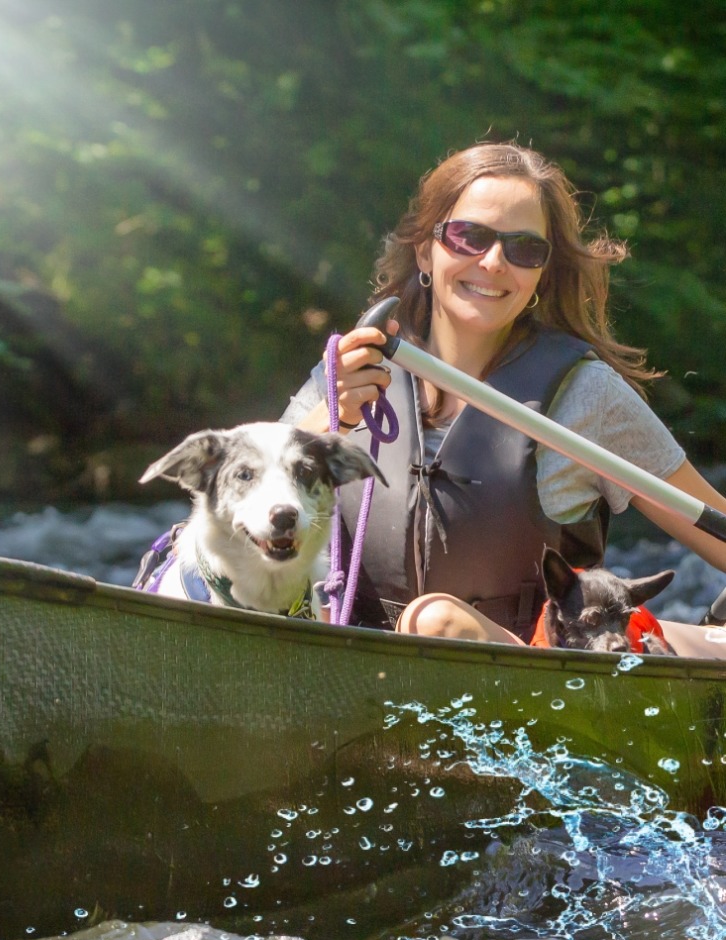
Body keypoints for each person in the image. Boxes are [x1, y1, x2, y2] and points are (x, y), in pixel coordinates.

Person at [282, 141, 726, 658]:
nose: (494, 262)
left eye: (524, 249)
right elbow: (235, 522)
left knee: (437, 621)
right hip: (355, 675)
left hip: (535, 685)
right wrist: (323, 425)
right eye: (469, 236)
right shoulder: (347, 376)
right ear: (426, 250)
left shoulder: (589, 396)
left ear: (541, 272)